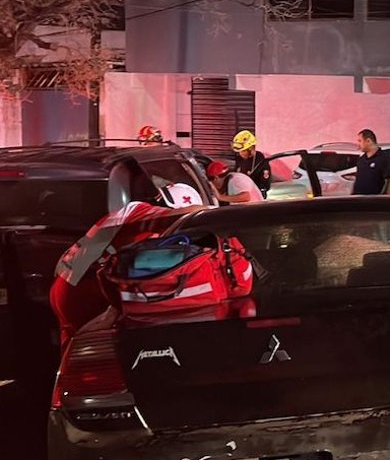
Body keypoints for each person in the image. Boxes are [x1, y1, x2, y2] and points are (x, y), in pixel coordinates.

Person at [50, 184, 205, 346]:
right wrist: (213, 212)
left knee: (74, 355)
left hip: (67, 283)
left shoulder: (129, 217)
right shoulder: (139, 211)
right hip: (87, 289)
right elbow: (182, 214)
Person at [352, 129, 390, 196]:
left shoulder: (384, 159)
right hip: (359, 201)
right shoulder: (361, 160)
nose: (358, 144)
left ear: (368, 141)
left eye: (360, 141)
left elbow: (389, 181)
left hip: (375, 202)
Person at [232, 130, 271, 197]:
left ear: (251, 148)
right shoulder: (239, 158)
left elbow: (265, 185)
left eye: (243, 151)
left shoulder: (260, 159)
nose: (241, 153)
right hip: (240, 194)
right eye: (239, 151)